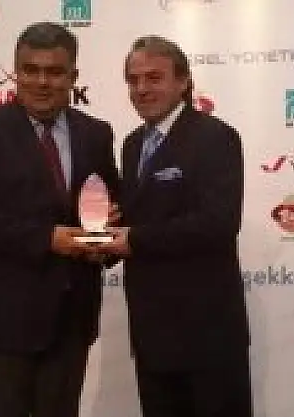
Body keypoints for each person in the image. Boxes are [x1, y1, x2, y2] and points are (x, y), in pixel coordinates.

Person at [0, 21, 119, 417]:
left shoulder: (96, 134)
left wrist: (103, 246)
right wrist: (48, 239)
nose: (41, 82)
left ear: (73, 76)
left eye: (54, 72)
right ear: (15, 72)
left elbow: (108, 207)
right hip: (0, 321)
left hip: (71, 320)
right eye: (30, 70)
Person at [99, 35, 252, 417]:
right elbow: (140, 218)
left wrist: (134, 239)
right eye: (133, 80)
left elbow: (218, 223)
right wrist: (108, 228)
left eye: (154, 78)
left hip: (207, 335)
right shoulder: (132, 145)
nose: (141, 89)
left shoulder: (215, 138)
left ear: (183, 81)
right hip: (151, 334)